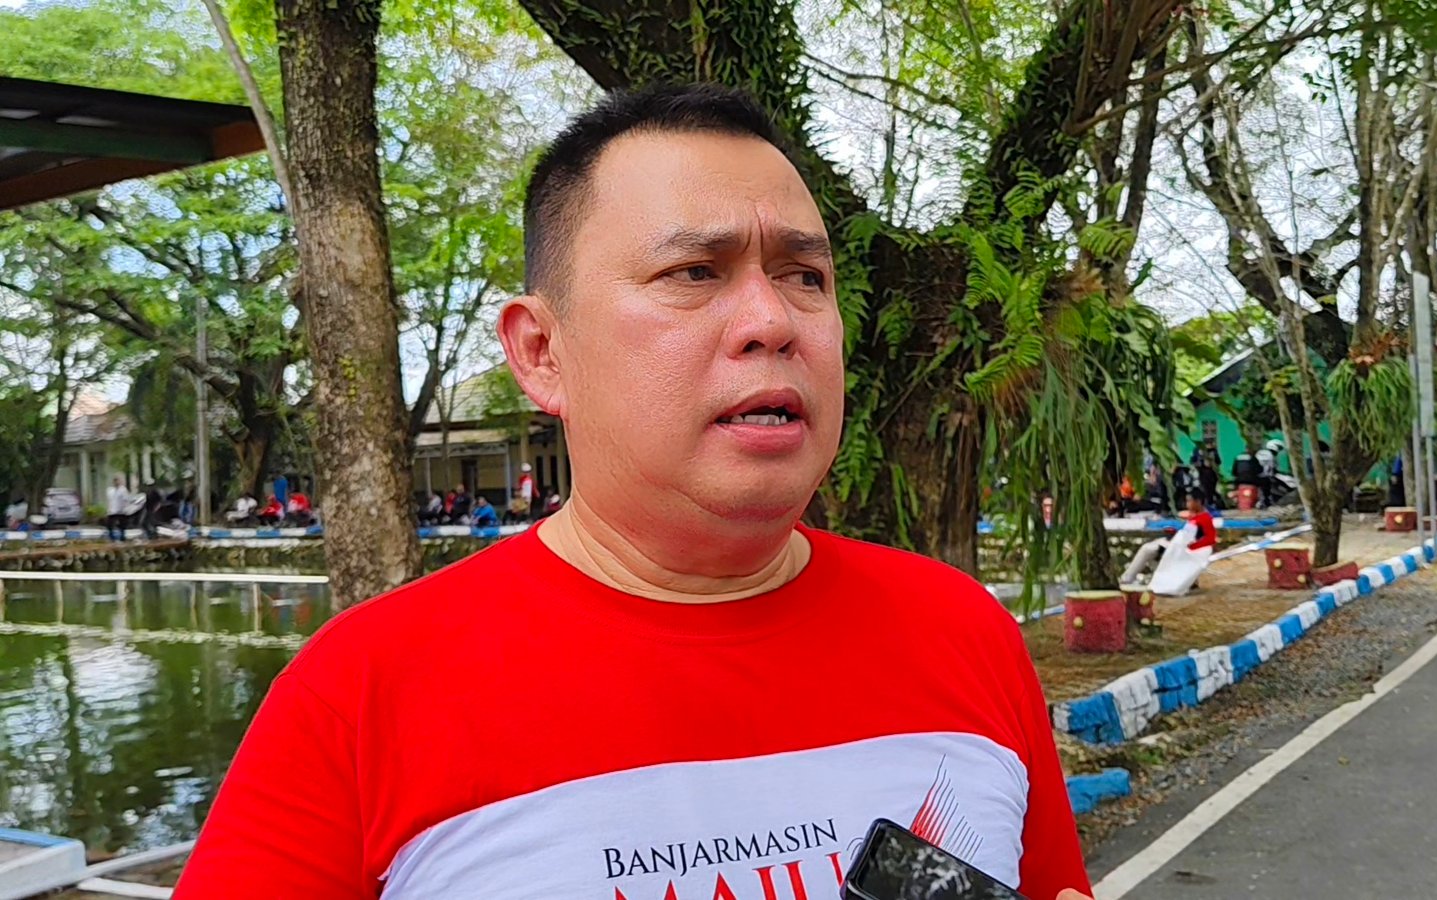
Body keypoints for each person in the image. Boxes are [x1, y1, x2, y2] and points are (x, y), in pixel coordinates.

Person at [177, 85, 1092, 900]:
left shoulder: (965, 633)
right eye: (694, 273)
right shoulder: (359, 698)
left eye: (804, 276)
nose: (772, 320)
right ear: (542, 351)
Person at [1121, 488, 1219, 589]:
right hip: (1180, 545)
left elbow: (1210, 539)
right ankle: (1132, 578)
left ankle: (1127, 579)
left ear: (1198, 502)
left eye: (1189, 501)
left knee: (1148, 549)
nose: (1187, 504)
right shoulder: (1194, 516)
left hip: (1187, 549)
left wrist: (1191, 546)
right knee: (1151, 548)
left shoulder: (1205, 518)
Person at [106, 476, 131, 541]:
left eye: (117, 481)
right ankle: (111, 537)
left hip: (121, 511)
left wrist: (125, 508)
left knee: (122, 525)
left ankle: (122, 537)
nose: (116, 482)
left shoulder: (123, 490)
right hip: (112, 510)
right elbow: (109, 500)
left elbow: (126, 500)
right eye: (115, 481)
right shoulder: (110, 490)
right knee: (109, 525)